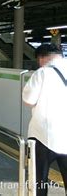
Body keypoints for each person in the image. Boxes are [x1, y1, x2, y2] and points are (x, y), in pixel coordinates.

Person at [22, 43, 67, 196]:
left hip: (44, 136)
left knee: (39, 180)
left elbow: (28, 100)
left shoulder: (42, 73)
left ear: (41, 58)